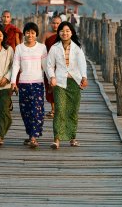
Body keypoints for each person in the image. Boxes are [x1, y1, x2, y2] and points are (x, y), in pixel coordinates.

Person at [47, 21, 88, 149]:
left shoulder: (77, 48)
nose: (64, 33)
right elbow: (49, 65)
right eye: (62, 31)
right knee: (59, 109)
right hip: (59, 82)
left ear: (72, 32)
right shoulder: (54, 48)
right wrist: (52, 77)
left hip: (74, 82)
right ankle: (57, 139)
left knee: (73, 111)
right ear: (58, 33)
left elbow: (82, 64)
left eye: (67, 31)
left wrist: (84, 77)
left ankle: (72, 137)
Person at [11, 22, 48, 148]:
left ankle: (34, 137)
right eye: (28, 32)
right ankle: (30, 133)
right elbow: (15, 66)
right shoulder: (19, 48)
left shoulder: (42, 48)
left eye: (33, 32)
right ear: (24, 34)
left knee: (37, 110)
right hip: (23, 83)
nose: (30, 35)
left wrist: (50, 80)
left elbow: (45, 65)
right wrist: (13, 82)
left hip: (37, 82)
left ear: (36, 34)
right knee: (25, 111)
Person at [41, 15, 62, 118]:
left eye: (58, 23)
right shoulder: (46, 34)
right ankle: (53, 109)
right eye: (53, 23)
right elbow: (41, 49)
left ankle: (59, 109)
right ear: (50, 23)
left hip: (60, 64)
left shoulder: (64, 35)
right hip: (49, 64)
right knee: (49, 86)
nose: (55, 25)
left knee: (59, 86)